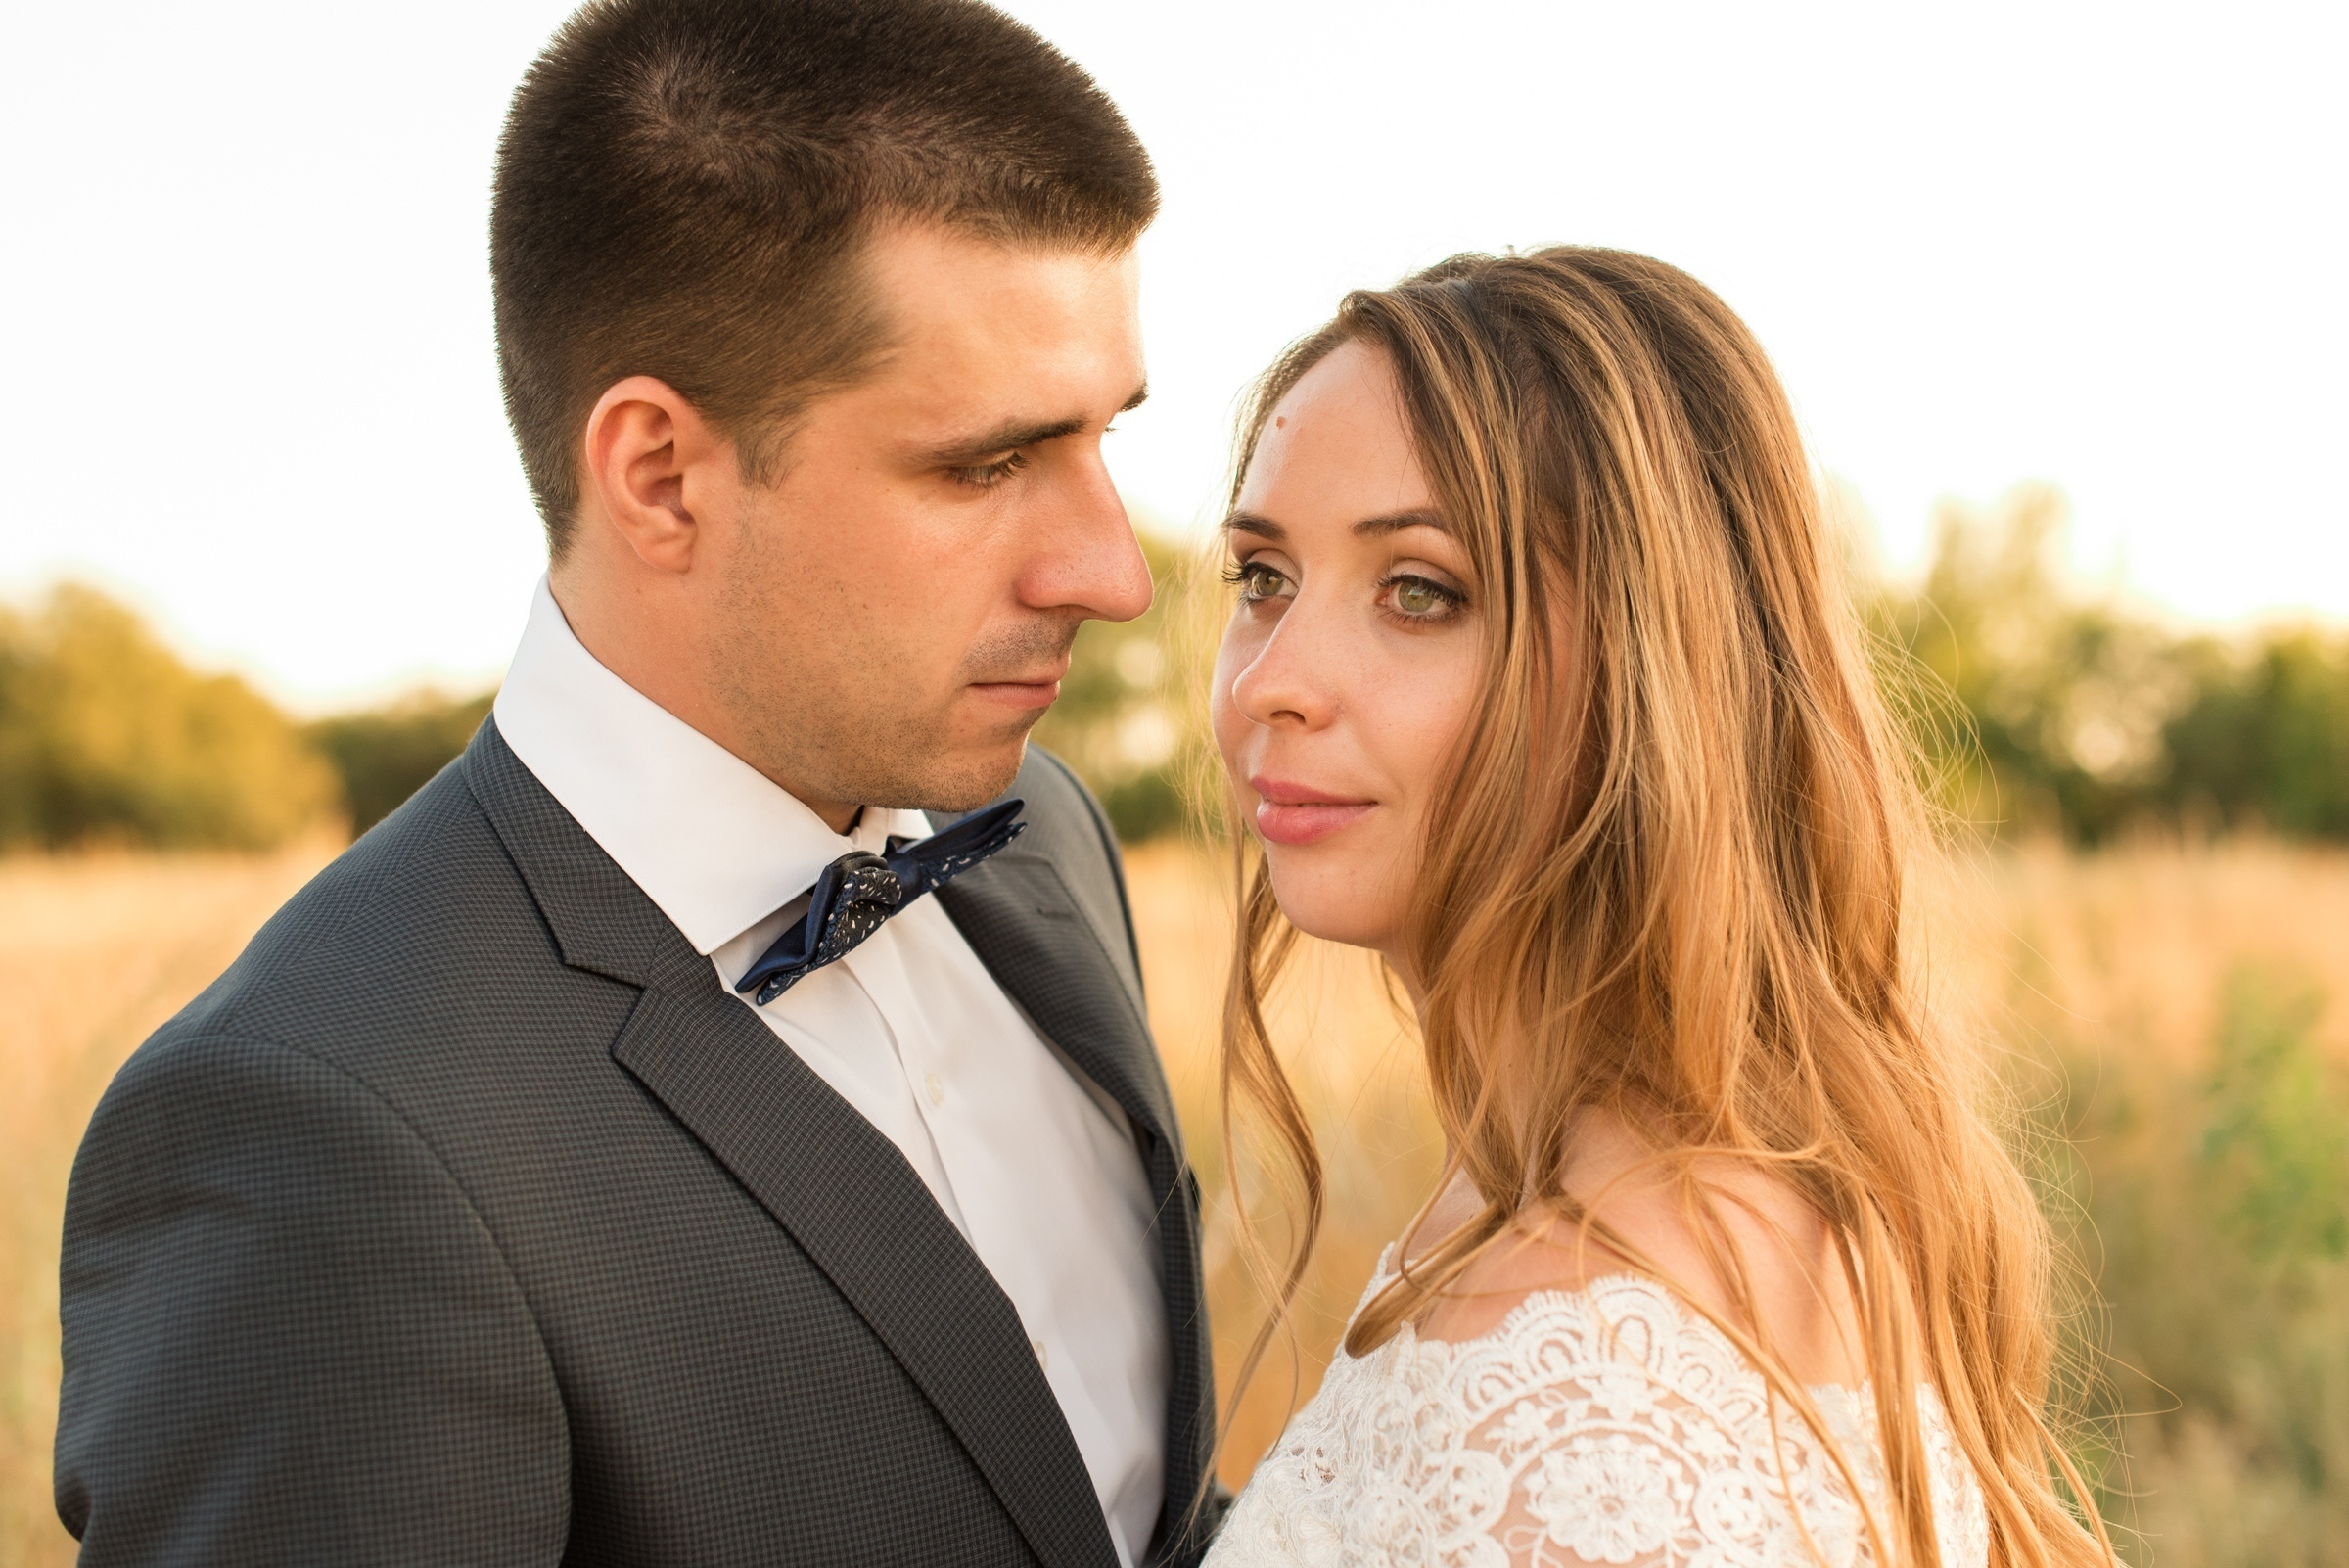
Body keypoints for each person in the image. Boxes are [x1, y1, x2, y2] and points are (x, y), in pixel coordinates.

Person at [54, 2, 1216, 1563]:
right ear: (661, 475)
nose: (1112, 572)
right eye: (987, 464)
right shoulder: (314, 1128)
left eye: (1103, 436)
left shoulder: (1043, 836)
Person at [1198, 249, 2115, 1567]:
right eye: (1262, 577)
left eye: (1420, 591)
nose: (1270, 682)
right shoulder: (1660, 1203)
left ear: (1648, 668)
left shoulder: (1596, 1416)